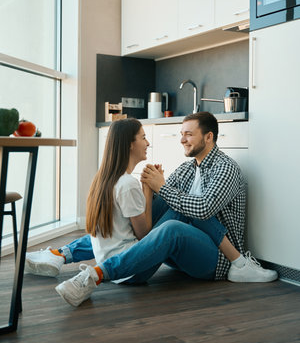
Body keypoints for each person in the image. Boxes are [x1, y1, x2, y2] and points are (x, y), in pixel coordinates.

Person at [25, 112, 277, 307]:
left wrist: (161, 187)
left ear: (208, 137)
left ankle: (97, 274)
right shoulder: (189, 168)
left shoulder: (226, 168)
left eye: (189, 134)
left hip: (218, 258)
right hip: (184, 250)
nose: (182, 139)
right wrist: (151, 183)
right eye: (181, 133)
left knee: (172, 225)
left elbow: (203, 209)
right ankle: (62, 254)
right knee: (138, 215)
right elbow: (161, 203)